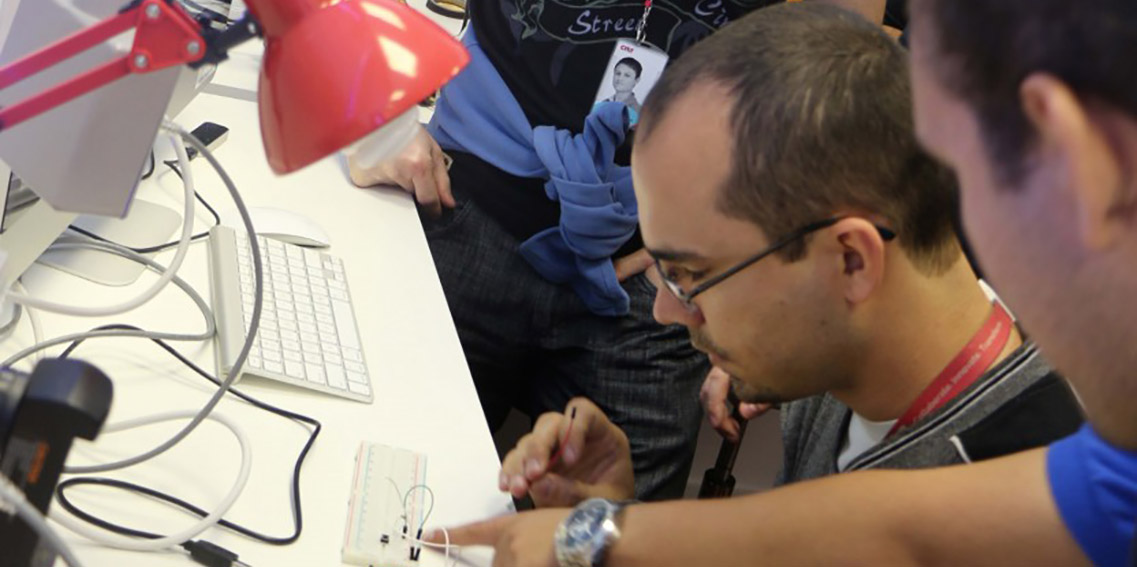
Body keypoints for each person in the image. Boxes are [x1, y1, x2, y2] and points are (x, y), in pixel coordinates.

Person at [421, 0, 1137, 566]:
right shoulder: (842, 370)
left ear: (850, 261)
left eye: (691, 276)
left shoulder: (1022, 506)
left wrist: (602, 538)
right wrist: (612, 511)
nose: (666, 311)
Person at [348, 0, 887, 502]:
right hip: (467, 199)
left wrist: (753, 292)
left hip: (670, 276)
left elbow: (836, 78)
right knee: (379, 496)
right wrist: (372, 112)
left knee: (613, 538)